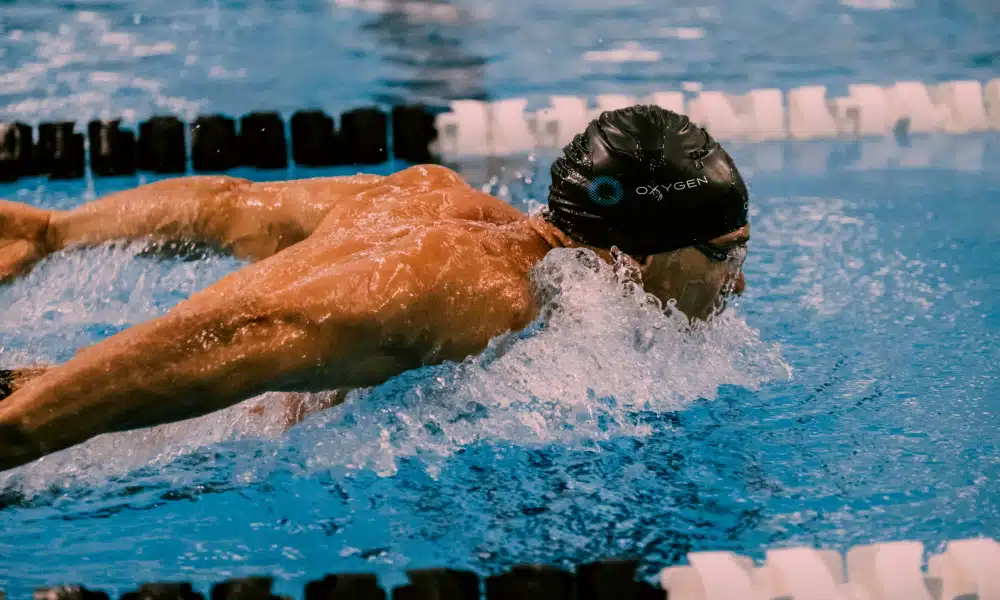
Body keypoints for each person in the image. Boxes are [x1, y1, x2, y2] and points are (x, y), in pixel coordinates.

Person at [0, 105, 750, 472]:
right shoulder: (477, 292)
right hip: (128, 445)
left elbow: (230, 207)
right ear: (634, 254)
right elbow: (251, 325)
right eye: (722, 255)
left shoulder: (431, 197)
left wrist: (55, 232)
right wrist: (24, 427)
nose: (737, 285)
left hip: (102, 396)